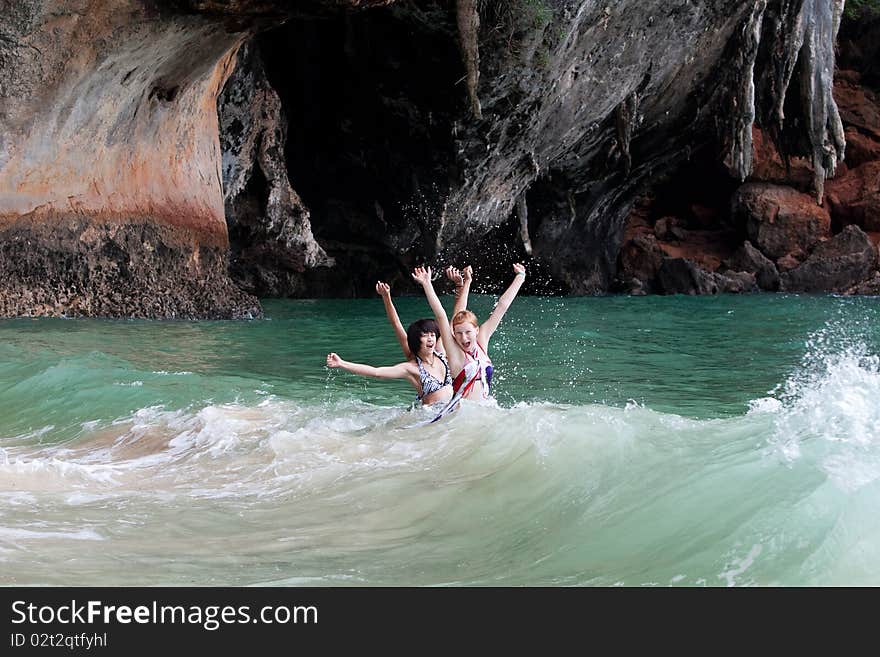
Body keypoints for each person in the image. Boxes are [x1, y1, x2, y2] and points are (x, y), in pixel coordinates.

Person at [324, 266, 474, 406]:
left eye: (432, 335)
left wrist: (462, 285)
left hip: (451, 411)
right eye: (425, 336)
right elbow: (377, 372)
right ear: (416, 340)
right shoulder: (411, 368)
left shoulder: (441, 352)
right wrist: (342, 363)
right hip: (429, 416)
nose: (430, 339)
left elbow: (456, 317)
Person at [412, 263, 526, 402]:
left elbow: (502, 306)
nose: (463, 337)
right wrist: (427, 284)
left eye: (467, 332)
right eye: (458, 333)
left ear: (476, 330)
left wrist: (520, 277)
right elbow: (441, 314)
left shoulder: (482, 340)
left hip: (483, 411)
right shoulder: (454, 352)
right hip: (461, 415)